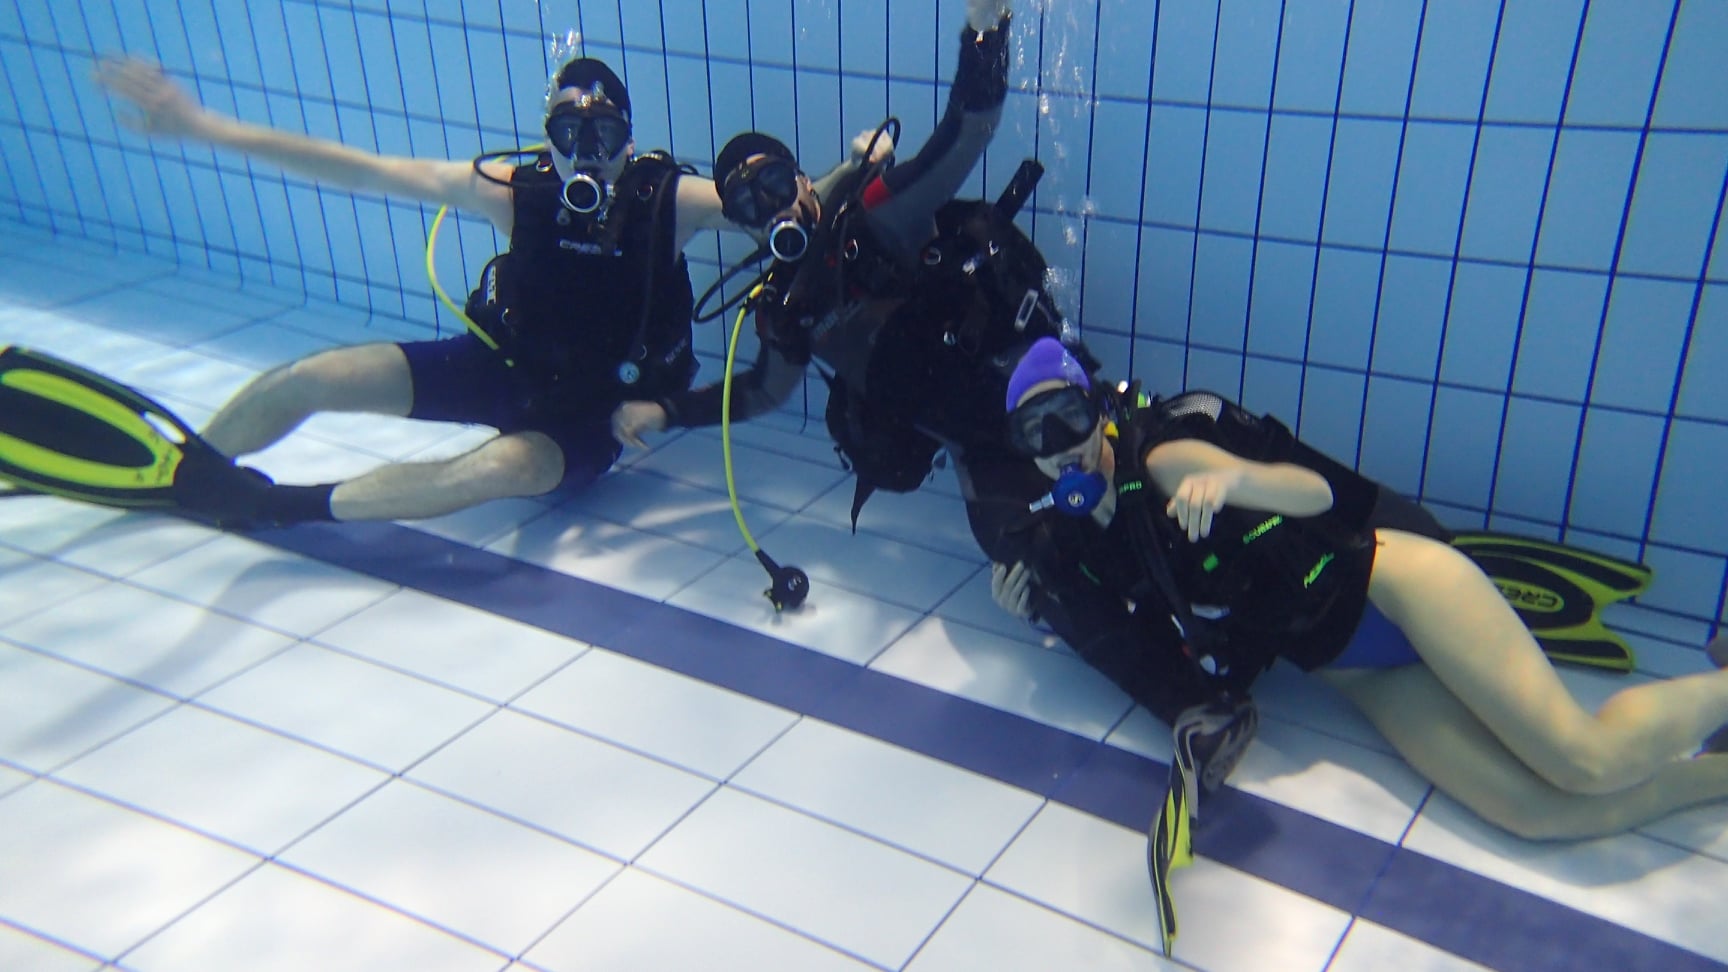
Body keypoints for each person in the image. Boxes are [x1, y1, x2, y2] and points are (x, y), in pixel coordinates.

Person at [991, 337, 1728, 840]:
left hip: (1397, 585)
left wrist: (1236, 479)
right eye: (1036, 434)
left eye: (1070, 418)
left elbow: (1315, 492)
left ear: (1098, 408)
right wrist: (1039, 606)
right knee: (1537, 814)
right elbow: (1140, 636)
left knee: (1582, 759)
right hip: (1350, 667)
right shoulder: (1089, 537)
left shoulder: (1171, 453)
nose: (1061, 447)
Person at [89, 54, 842, 525]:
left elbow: (779, 212)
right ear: (547, 135)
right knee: (309, 378)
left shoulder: (666, 199)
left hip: (592, 410)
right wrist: (202, 126)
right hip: (501, 364)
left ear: (630, 134)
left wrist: (845, 175)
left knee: (501, 469)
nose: (588, 154)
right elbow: (362, 169)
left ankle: (276, 506)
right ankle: (182, 474)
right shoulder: (513, 189)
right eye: (567, 133)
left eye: (605, 134)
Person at [609, 0, 1065, 535]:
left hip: (1028, 380)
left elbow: (965, 136)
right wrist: (665, 411)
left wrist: (983, 32)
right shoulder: (788, 310)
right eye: (750, 205)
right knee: (1024, 550)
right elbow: (762, 392)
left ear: (803, 179)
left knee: (1111, 489)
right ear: (740, 222)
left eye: (776, 184)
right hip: (971, 441)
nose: (773, 208)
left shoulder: (875, 213)